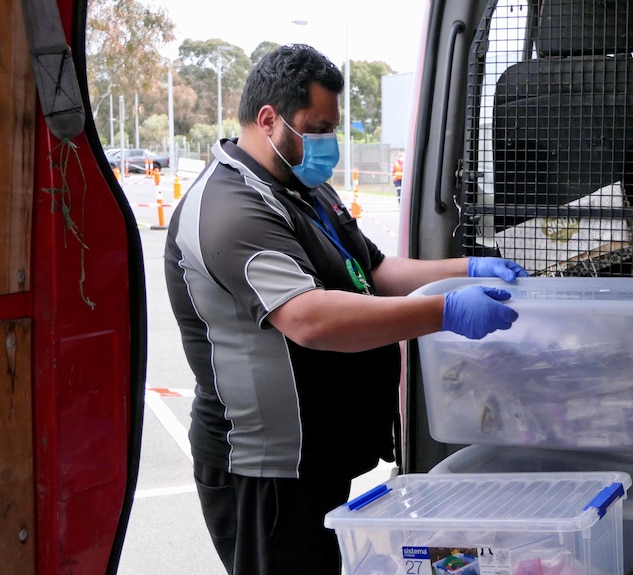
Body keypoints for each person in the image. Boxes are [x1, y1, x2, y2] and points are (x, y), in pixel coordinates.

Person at [163, 44, 528, 575]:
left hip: (317, 458)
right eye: (318, 127)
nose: (327, 142)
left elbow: (374, 271)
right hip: (266, 472)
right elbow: (309, 318)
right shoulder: (229, 207)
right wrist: (444, 313)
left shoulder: (304, 188)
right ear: (269, 120)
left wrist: (468, 267)